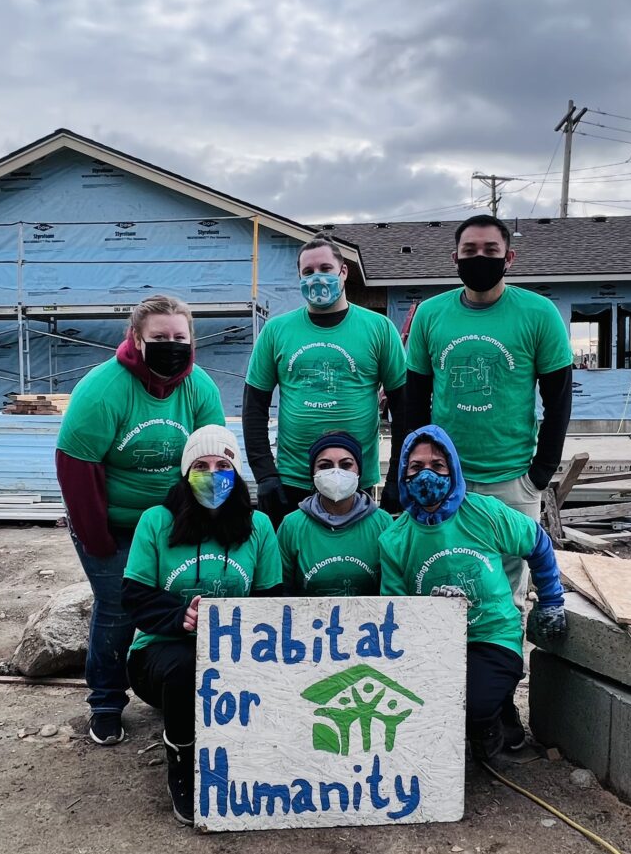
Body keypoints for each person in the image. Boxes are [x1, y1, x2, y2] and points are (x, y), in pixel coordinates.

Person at [55, 294, 226, 747]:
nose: (171, 344)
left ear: (191, 338)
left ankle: (172, 682)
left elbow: (212, 455)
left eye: (179, 337)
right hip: (109, 517)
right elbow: (76, 466)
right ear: (136, 338)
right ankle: (107, 701)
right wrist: (97, 537)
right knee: (118, 604)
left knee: (176, 599)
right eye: (159, 338)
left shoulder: (200, 388)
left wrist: (206, 522)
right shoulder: (104, 388)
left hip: (172, 517)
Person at [121, 425, 283, 824]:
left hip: (239, 648)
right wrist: (181, 616)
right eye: (201, 465)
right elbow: (135, 595)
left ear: (237, 471)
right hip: (162, 651)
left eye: (223, 464)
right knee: (185, 669)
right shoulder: (156, 522)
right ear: (184, 471)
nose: (213, 474)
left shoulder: (258, 526)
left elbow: (272, 597)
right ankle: (183, 759)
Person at [379, 424, 567, 761]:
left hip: (492, 633)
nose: (427, 475)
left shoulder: (485, 512)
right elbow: (396, 611)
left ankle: (490, 724)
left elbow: (538, 543)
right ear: (403, 473)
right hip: (434, 643)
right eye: (416, 467)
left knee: (474, 706)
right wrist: (429, 611)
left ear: (453, 468)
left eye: (438, 466)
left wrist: (551, 602)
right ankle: (494, 712)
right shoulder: (395, 539)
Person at [402, 214, 572, 584]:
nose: (480, 257)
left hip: (512, 479)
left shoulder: (539, 314)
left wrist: (540, 473)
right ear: (455, 259)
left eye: (490, 250)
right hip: (443, 476)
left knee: (509, 591)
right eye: (470, 250)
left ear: (508, 258)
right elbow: (414, 399)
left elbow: (558, 399)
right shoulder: (431, 314)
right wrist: (415, 469)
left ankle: (506, 644)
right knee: (441, 579)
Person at [243, 235, 406, 524]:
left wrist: (396, 476)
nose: (316, 277)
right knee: (290, 565)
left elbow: (404, 410)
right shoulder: (275, 331)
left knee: (353, 563)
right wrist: (265, 474)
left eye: (325, 269)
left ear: (343, 272)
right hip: (292, 480)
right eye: (308, 272)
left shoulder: (379, 328)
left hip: (354, 477)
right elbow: (254, 408)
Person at [275, 430, 392, 595]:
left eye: (346, 465)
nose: (336, 472)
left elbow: (393, 588)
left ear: (359, 471)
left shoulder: (383, 523)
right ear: (313, 474)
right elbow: (282, 592)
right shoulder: (291, 526)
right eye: (325, 466)